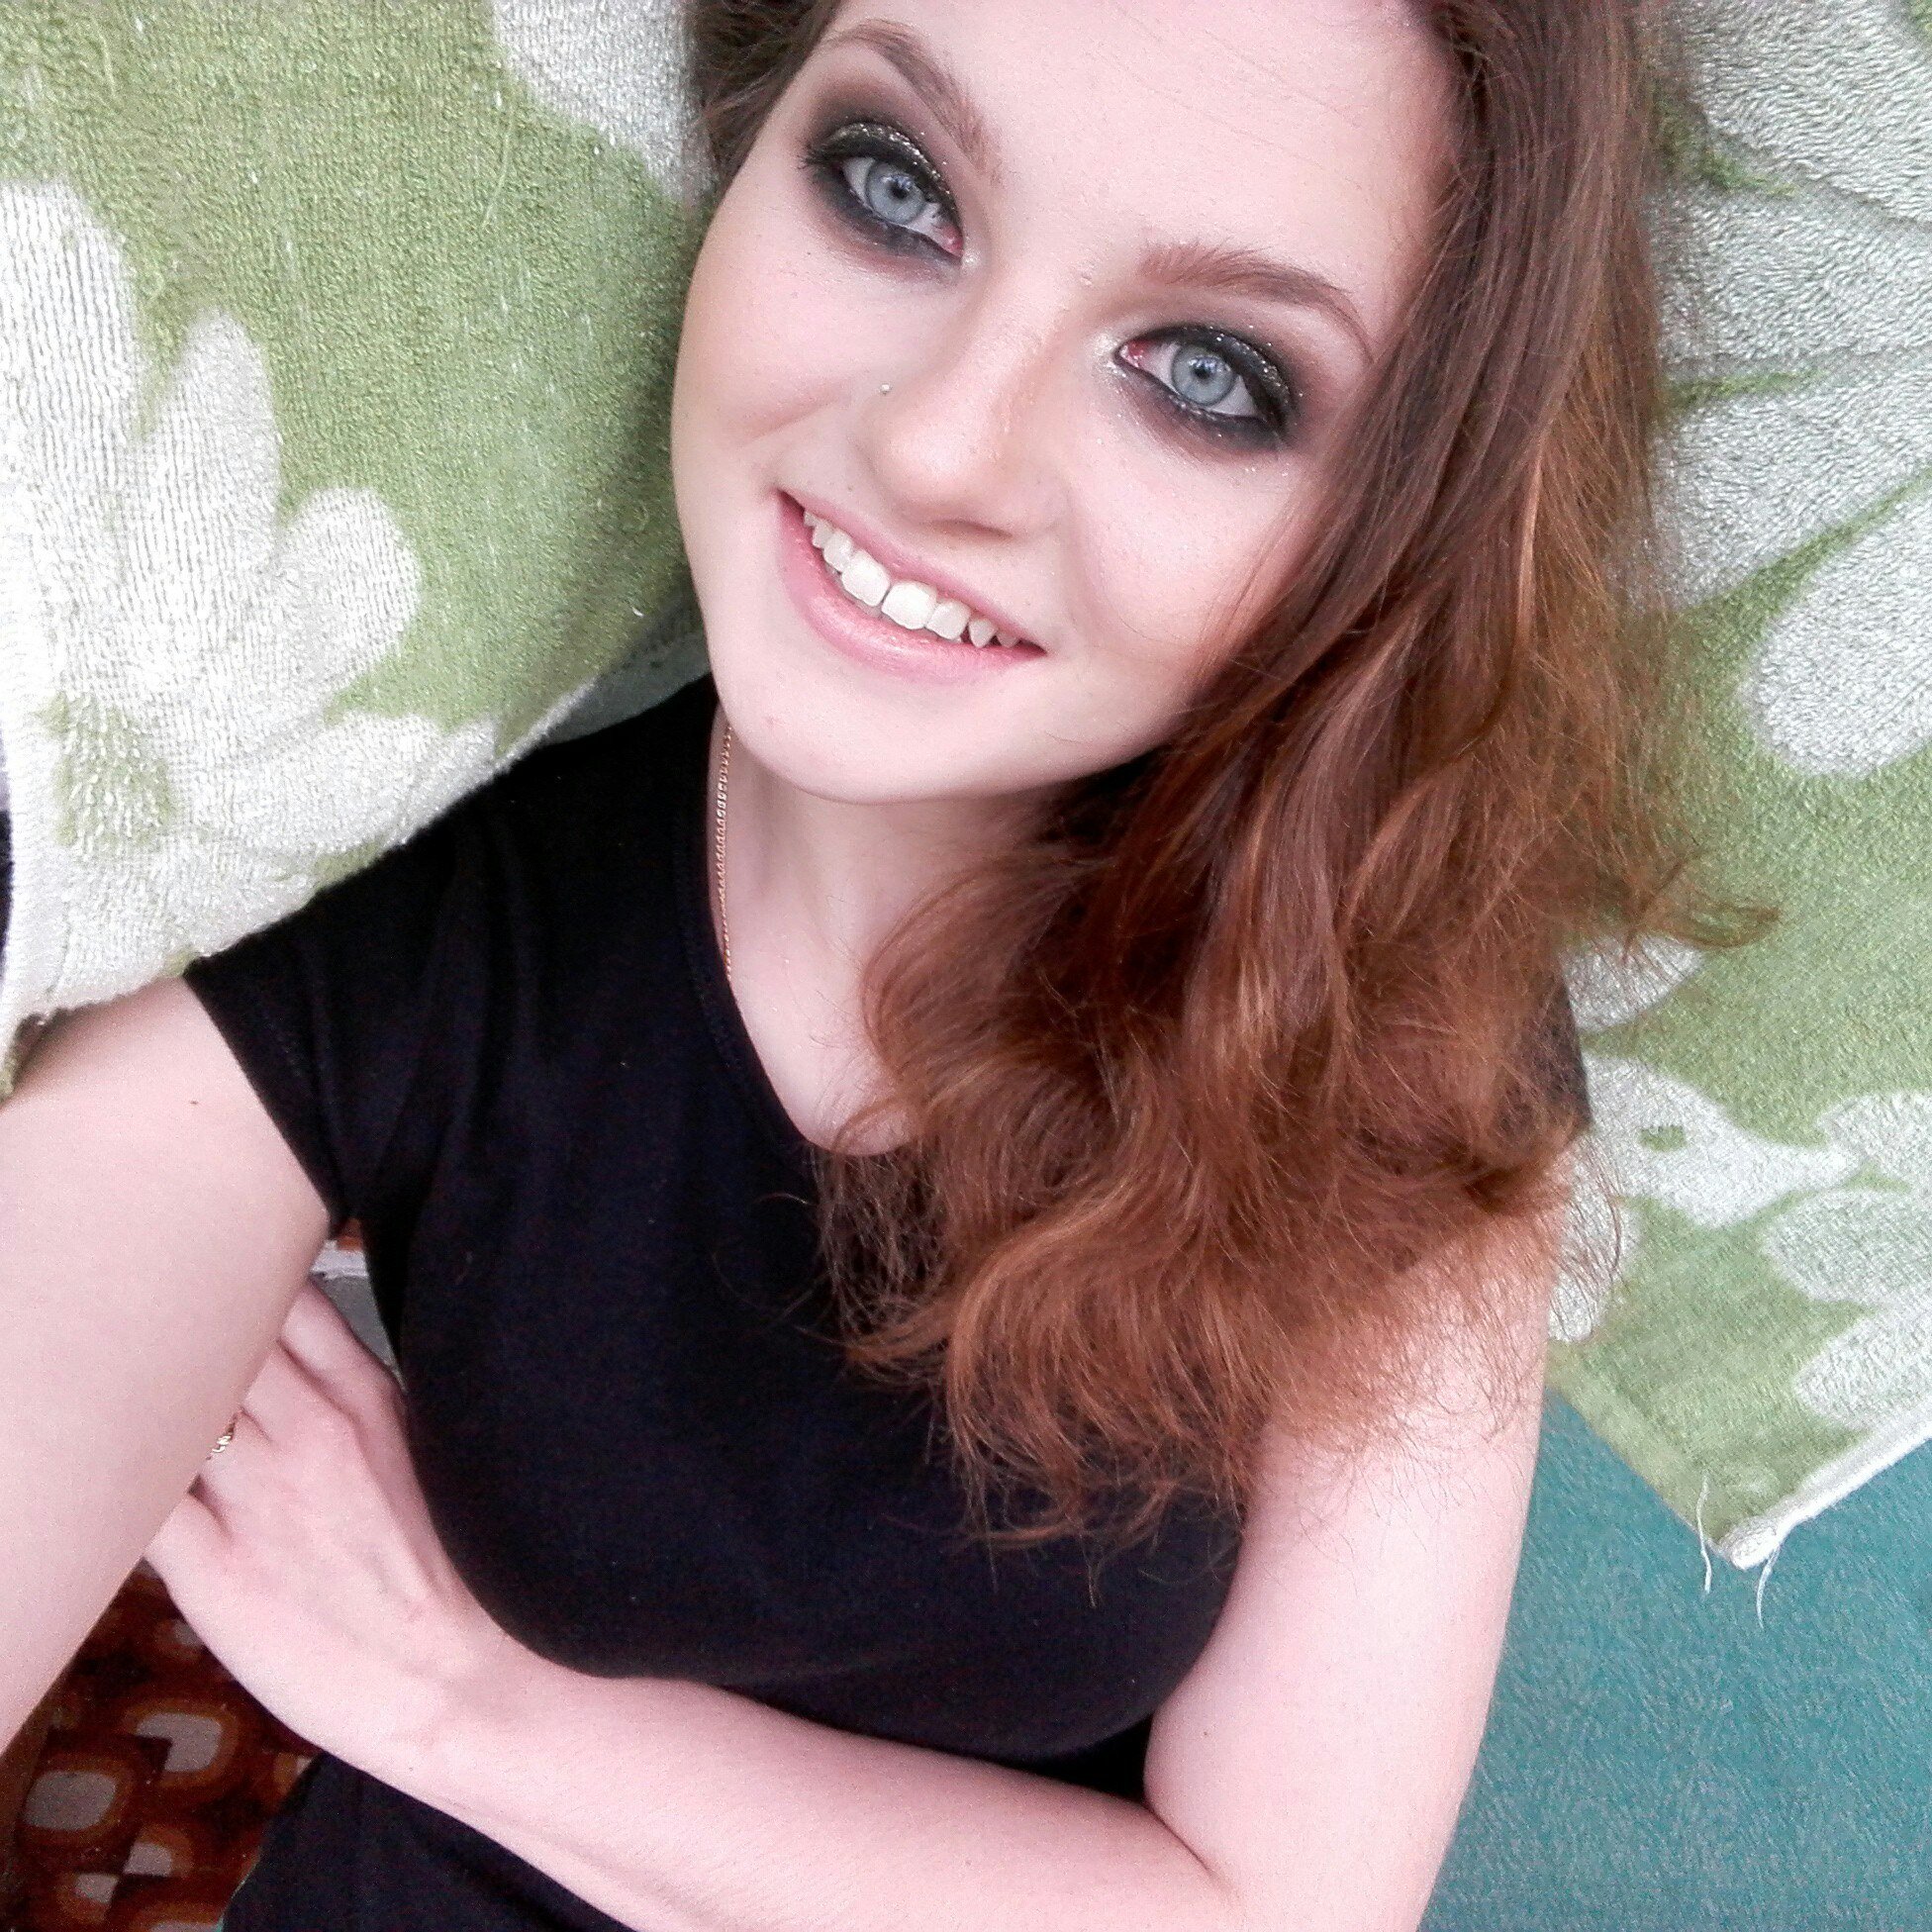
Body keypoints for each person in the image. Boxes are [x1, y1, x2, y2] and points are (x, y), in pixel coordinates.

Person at [0, 2, 1721, 1927]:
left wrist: (462, 1700)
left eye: (1209, 376)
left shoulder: (1394, 1033)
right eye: (896, 189)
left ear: (1398, 520)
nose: (934, 444)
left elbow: (1286, 1907)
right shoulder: (404, 914)